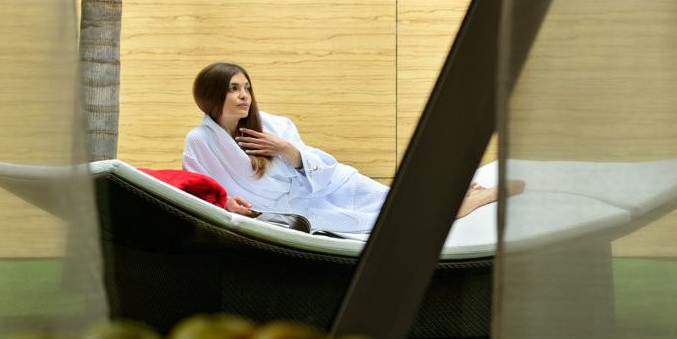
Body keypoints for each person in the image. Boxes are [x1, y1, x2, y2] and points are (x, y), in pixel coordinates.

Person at [182, 62, 512, 234]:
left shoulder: (272, 125)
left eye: (247, 87)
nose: (244, 96)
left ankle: (467, 196)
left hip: (335, 185)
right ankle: (473, 197)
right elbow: (200, 190)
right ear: (211, 94)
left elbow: (315, 166)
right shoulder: (200, 142)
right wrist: (227, 202)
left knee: (401, 202)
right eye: (233, 88)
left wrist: (285, 149)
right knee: (404, 220)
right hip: (302, 209)